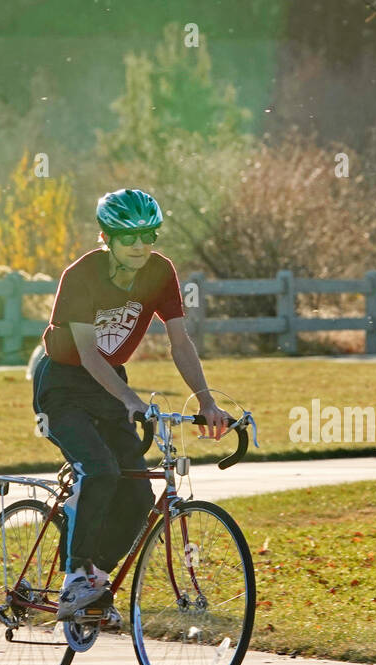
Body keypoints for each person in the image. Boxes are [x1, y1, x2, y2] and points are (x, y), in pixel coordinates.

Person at [32, 188, 233, 625]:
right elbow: (87, 353)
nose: (140, 245)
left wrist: (207, 401)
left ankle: (95, 583)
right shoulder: (81, 274)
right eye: (129, 237)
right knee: (99, 468)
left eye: (149, 234)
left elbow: (180, 341)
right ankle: (75, 579)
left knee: (139, 491)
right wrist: (129, 400)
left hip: (110, 386)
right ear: (106, 236)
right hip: (63, 386)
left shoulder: (160, 272)